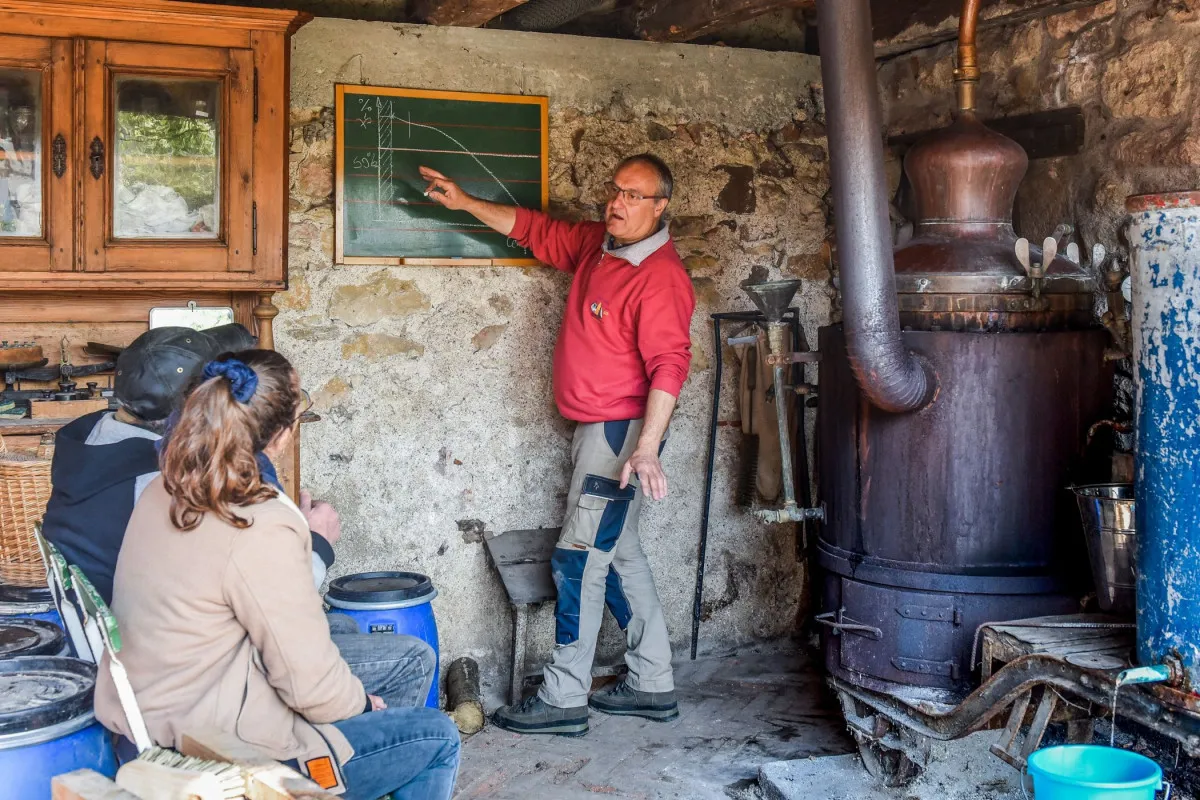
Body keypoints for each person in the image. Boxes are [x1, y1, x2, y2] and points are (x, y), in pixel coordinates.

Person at [94, 350, 460, 799]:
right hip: (213, 746)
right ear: (283, 435)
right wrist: (361, 704)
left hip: (154, 711)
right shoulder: (258, 521)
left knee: (367, 642)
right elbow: (309, 687)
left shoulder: (165, 485)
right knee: (437, 735)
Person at [420, 154, 696, 736]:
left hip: (619, 435)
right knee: (620, 554)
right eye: (614, 189)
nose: (616, 203)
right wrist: (466, 201)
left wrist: (644, 449)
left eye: (633, 195)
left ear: (660, 206)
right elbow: (534, 230)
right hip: (596, 429)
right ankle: (652, 682)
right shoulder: (601, 245)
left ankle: (565, 695)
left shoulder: (661, 277)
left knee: (578, 560)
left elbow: (671, 365)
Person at [42, 325, 436, 710]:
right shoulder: (171, 484)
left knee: (343, 629)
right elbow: (265, 598)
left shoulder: (90, 442)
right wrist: (316, 543)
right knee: (409, 659)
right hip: (194, 671)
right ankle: (334, 759)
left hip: (135, 648)